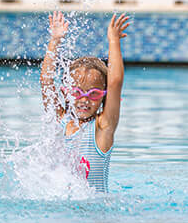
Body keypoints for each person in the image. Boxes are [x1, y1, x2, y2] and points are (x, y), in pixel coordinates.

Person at [40, 11, 130, 193]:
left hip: (95, 216)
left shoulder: (103, 128)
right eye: (76, 92)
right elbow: (46, 80)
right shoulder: (60, 120)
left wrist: (113, 40)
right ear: (65, 93)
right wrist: (55, 41)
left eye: (94, 94)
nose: (84, 99)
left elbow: (114, 82)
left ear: (104, 97)